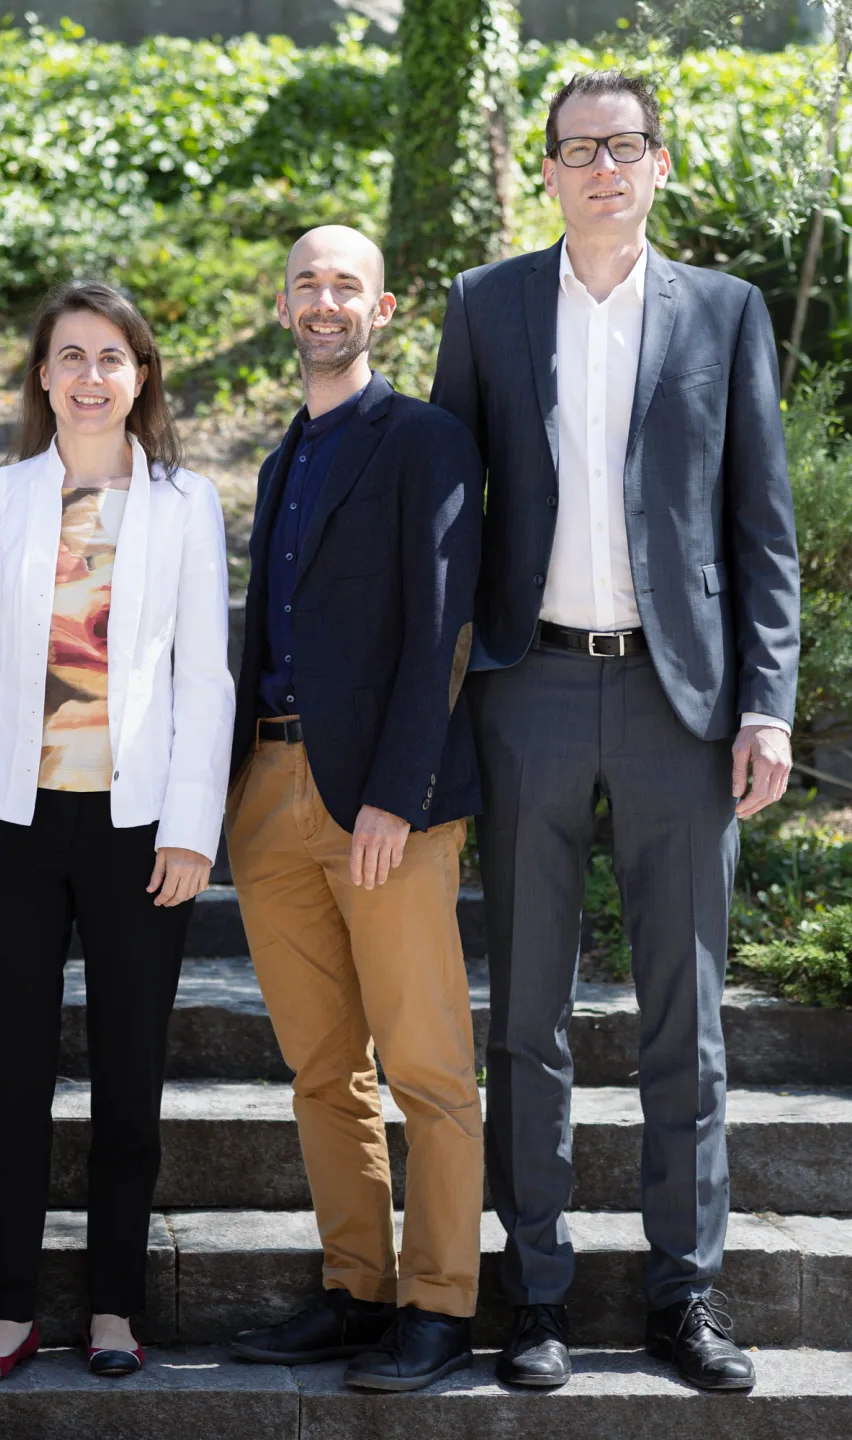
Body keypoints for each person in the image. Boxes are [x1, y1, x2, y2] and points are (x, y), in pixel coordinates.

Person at [431, 71, 799, 1393]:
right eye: (577, 148)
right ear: (546, 170)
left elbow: (763, 527)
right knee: (524, 1015)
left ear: (657, 165)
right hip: (527, 691)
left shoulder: (726, 313)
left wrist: (768, 701)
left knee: (684, 1020)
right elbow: (448, 524)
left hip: (679, 707)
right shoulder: (485, 308)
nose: (601, 167)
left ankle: (682, 1299)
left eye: (623, 146)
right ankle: (532, 1296)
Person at [0, 281, 234, 1382]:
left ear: (141, 375)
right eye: (71, 356)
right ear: (43, 377)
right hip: (11, 827)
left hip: (138, 827)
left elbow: (205, 677)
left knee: (129, 1070)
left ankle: (114, 1306)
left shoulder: (186, 504)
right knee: (9, 1072)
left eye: (113, 356)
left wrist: (193, 829)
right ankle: (8, 1308)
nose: (92, 375)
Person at [224, 225, 484, 1394]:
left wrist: (398, 796)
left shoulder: (423, 440)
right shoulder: (288, 454)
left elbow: (444, 630)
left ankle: (437, 1304)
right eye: (306, 285)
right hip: (267, 792)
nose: (323, 302)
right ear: (283, 307)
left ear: (383, 308)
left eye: (346, 285)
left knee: (426, 1067)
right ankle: (354, 1289)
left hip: (382, 803)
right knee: (322, 1067)